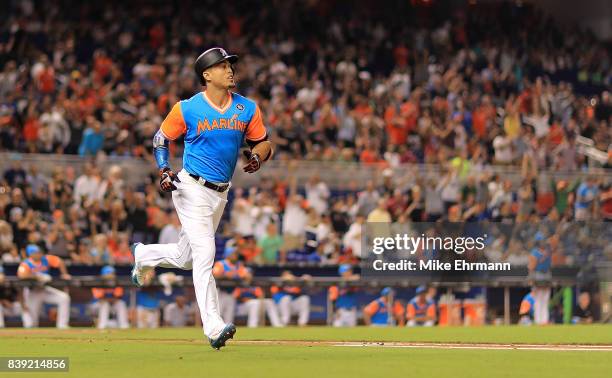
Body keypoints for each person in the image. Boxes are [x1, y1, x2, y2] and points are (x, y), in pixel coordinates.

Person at [130, 47, 273, 350]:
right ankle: (214, 326)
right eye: (222, 66)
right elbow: (161, 138)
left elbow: (263, 143)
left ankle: (144, 255)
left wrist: (258, 158)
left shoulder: (246, 108)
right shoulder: (188, 108)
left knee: (186, 258)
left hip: (220, 193)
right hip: (191, 186)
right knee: (206, 252)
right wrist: (164, 169)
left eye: (231, 65)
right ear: (206, 75)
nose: (230, 70)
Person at [16, 244, 71, 328]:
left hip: (44, 289)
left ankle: (62, 325)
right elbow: (21, 275)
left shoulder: (45, 259)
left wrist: (64, 274)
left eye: (39, 252)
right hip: (32, 292)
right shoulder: (26, 263)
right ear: (30, 254)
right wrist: (37, 276)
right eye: (36, 253)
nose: (39, 254)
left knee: (64, 298)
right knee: (31, 324)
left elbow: (60, 261)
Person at [212, 247, 251, 324]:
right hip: (220, 293)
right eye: (234, 254)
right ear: (228, 255)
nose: (236, 256)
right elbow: (214, 275)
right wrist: (226, 275)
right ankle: (213, 334)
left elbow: (247, 276)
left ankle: (226, 335)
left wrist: (240, 275)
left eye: (236, 254)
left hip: (232, 293)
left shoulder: (238, 265)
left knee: (229, 319)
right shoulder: (221, 264)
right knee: (217, 316)